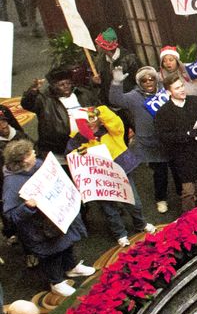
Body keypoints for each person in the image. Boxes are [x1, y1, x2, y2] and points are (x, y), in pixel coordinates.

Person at [2, 139, 94, 297]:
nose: (34, 153)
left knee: (68, 244)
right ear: (24, 159)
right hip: (40, 230)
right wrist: (27, 207)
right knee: (53, 255)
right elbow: (10, 216)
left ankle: (70, 268)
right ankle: (56, 282)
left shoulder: (39, 164)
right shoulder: (12, 183)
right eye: (31, 153)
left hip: (59, 217)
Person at [66, 106, 153, 248]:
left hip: (121, 171)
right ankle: (120, 234)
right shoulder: (78, 139)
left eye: (93, 119)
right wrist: (78, 152)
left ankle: (141, 223)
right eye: (86, 122)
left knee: (134, 202)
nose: (91, 123)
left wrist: (100, 111)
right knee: (109, 210)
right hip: (99, 180)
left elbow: (116, 123)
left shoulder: (111, 131)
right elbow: (70, 155)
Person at [109, 66, 174, 214]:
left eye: (151, 78)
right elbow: (115, 100)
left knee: (178, 168)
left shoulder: (165, 91)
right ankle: (161, 199)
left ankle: (183, 194)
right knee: (160, 172)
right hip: (151, 142)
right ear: (139, 83)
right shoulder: (133, 96)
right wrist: (116, 83)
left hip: (171, 137)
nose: (149, 82)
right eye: (144, 80)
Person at [154, 73, 197, 212]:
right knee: (188, 191)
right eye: (177, 88)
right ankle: (190, 220)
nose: (182, 90)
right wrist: (186, 134)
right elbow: (163, 136)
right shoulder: (163, 112)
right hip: (182, 156)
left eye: (182, 86)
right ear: (169, 92)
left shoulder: (194, 101)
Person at [21, 67, 100, 158]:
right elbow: (27, 104)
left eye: (68, 83)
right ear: (53, 86)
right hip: (59, 147)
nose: (66, 86)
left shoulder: (83, 93)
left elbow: (98, 109)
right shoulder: (44, 100)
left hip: (87, 141)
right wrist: (32, 91)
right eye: (61, 84)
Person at [93, 28, 140, 102]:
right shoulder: (100, 61)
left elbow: (139, 80)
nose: (97, 47)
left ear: (104, 47)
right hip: (110, 102)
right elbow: (100, 83)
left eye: (99, 45)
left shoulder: (129, 59)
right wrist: (96, 82)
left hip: (129, 101)